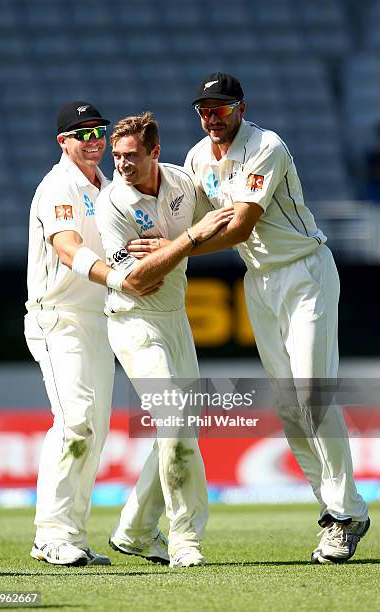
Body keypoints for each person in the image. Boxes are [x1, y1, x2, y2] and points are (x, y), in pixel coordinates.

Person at [180, 72, 369, 564]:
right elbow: (190, 219)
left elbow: (239, 224)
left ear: (241, 107)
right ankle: (334, 512)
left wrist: (172, 251)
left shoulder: (267, 145)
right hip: (258, 280)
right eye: (203, 109)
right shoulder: (198, 157)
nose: (211, 117)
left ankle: (347, 513)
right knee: (288, 405)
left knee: (312, 391)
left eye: (220, 108)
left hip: (304, 270)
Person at [24, 100, 171, 567]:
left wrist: (145, 262)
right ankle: (50, 535)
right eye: (81, 134)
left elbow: (121, 246)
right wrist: (120, 278)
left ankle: (72, 534)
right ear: (62, 142)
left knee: (95, 428)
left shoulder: (110, 187)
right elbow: (67, 249)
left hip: (100, 318)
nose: (93, 142)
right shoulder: (57, 187)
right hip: (59, 318)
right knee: (76, 422)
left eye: (99, 133)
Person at [96, 111, 233, 568]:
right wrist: (188, 240)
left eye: (131, 156)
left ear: (155, 152)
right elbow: (136, 279)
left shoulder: (180, 182)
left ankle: (134, 531)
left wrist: (181, 244)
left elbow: (225, 230)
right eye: (116, 157)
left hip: (176, 320)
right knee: (174, 418)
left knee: (180, 428)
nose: (122, 165)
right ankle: (184, 539)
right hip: (135, 321)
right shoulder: (113, 202)